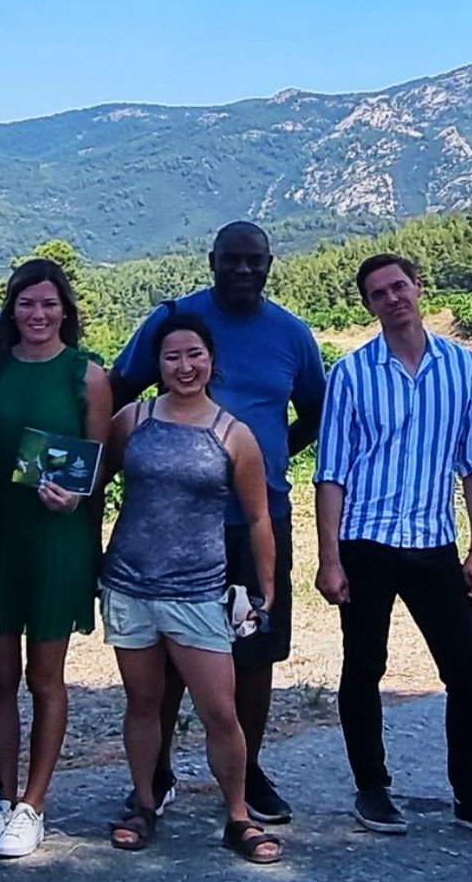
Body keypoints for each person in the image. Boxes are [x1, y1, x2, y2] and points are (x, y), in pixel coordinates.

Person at [111, 220, 326, 824]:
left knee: (253, 650)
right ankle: (156, 771)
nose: (243, 270)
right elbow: (121, 388)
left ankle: (247, 770)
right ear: (212, 261)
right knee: (166, 652)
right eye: (232, 259)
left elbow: (315, 410)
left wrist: (260, 459)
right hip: (171, 523)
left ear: (270, 263)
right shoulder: (176, 322)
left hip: (256, 519)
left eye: (254, 260)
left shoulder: (292, 334)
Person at [313, 254, 472, 842]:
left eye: (399, 286)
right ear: (368, 305)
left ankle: (471, 795)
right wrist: (329, 558)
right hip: (366, 540)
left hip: (433, 541)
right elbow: (332, 472)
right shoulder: (351, 374)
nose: (392, 298)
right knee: (364, 667)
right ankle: (372, 788)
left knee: (468, 670)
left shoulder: (464, 367)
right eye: (378, 293)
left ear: (418, 287)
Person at [102, 312, 282, 863]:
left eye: (195, 355)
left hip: (198, 591)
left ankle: (238, 815)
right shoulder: (132, 420)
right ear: (158, 364)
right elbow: (93, 484)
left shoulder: (233, 434)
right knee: (143, 702)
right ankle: (144, 802)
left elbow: (258, 517)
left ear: (211, 360)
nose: (185, 366)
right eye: (172, 356)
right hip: (129, 585)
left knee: (219, 711)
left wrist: (267, 589)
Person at [0, 258, 111, 859]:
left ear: (65, 310)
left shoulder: (86, 374)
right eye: (27, 303)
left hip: (57, 539)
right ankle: (2, 799)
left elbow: (98, 465)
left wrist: (76, 496)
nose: (38, 314)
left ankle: (34, 804)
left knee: (44, 678)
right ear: (12, 309)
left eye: (49, 304)